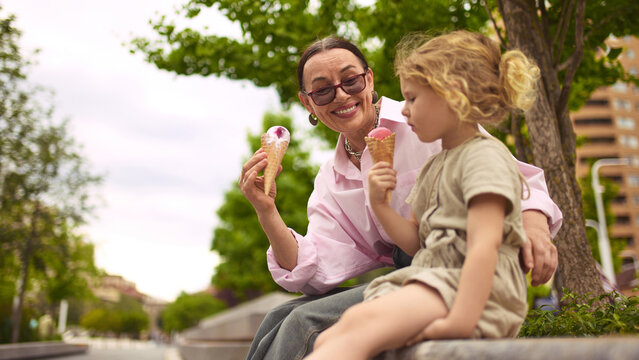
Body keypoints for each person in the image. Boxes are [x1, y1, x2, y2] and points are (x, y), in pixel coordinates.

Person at [238, 34, 563, 360]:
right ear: (308, 103)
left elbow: (518, 184)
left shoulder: (441, 128)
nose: (340, 95)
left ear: (369, 79)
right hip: (421, 267)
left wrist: (534, 225)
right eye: (322, 90)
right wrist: (267, 210)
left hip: (456, 280)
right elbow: (316, 269)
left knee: (302, 322)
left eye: (350, 81)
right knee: (277, 318)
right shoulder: (331, 179)